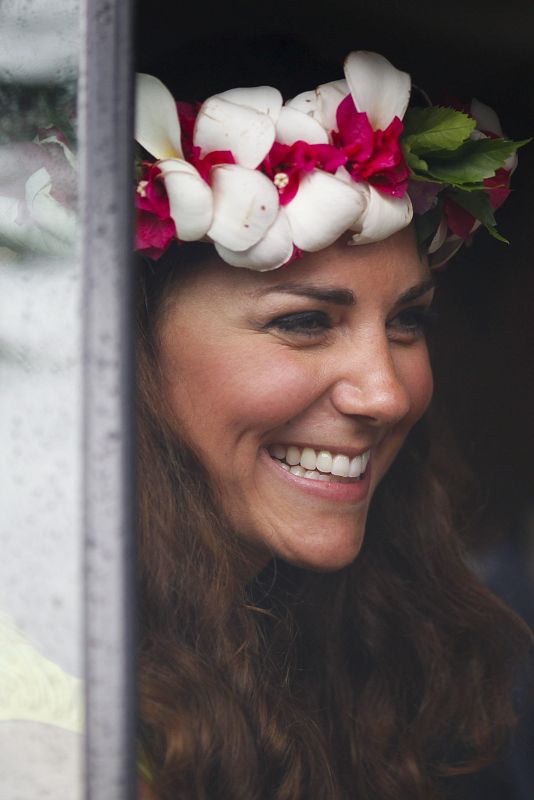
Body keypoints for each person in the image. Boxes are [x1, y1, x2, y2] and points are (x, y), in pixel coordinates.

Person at [134, 50, 532, 799]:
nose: (385, 395)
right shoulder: (48, 702)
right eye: (306, 321)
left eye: (409, 321)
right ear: (124, 351)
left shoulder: (373, 657)